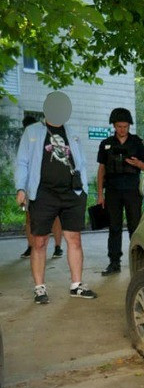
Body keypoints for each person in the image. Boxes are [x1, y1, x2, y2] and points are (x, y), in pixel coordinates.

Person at [15, 91, 97, 304]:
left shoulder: (72, 132)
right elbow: (22, 161)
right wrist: (21, 189)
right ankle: (40, 288)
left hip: (71, 194)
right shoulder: (33, 132)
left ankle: (76, 285)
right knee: (40, 241)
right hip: (43, 193)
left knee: (74, 239)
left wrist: (84, 190)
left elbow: (81, 163)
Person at [97, 108, 144, 275]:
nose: (122, 129)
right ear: (114, 126)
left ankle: (140, 263)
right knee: (114, 228)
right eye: (119, 126)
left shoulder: (137, 143)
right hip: (112, 191)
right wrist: (100, 194)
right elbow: (101, 170)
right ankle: (114, 263)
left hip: (132, 191)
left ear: (129, 126)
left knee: (135, 227)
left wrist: (138, 164)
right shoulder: (106, 144)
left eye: (125, 126)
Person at [20, 115, 64, 260]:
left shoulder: (43, 140)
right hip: (29, 187)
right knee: (29, 217)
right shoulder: (25, 142)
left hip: (47, 186)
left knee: (55, 216)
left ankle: (57, 247)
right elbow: (21, 165)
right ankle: (31, 246)